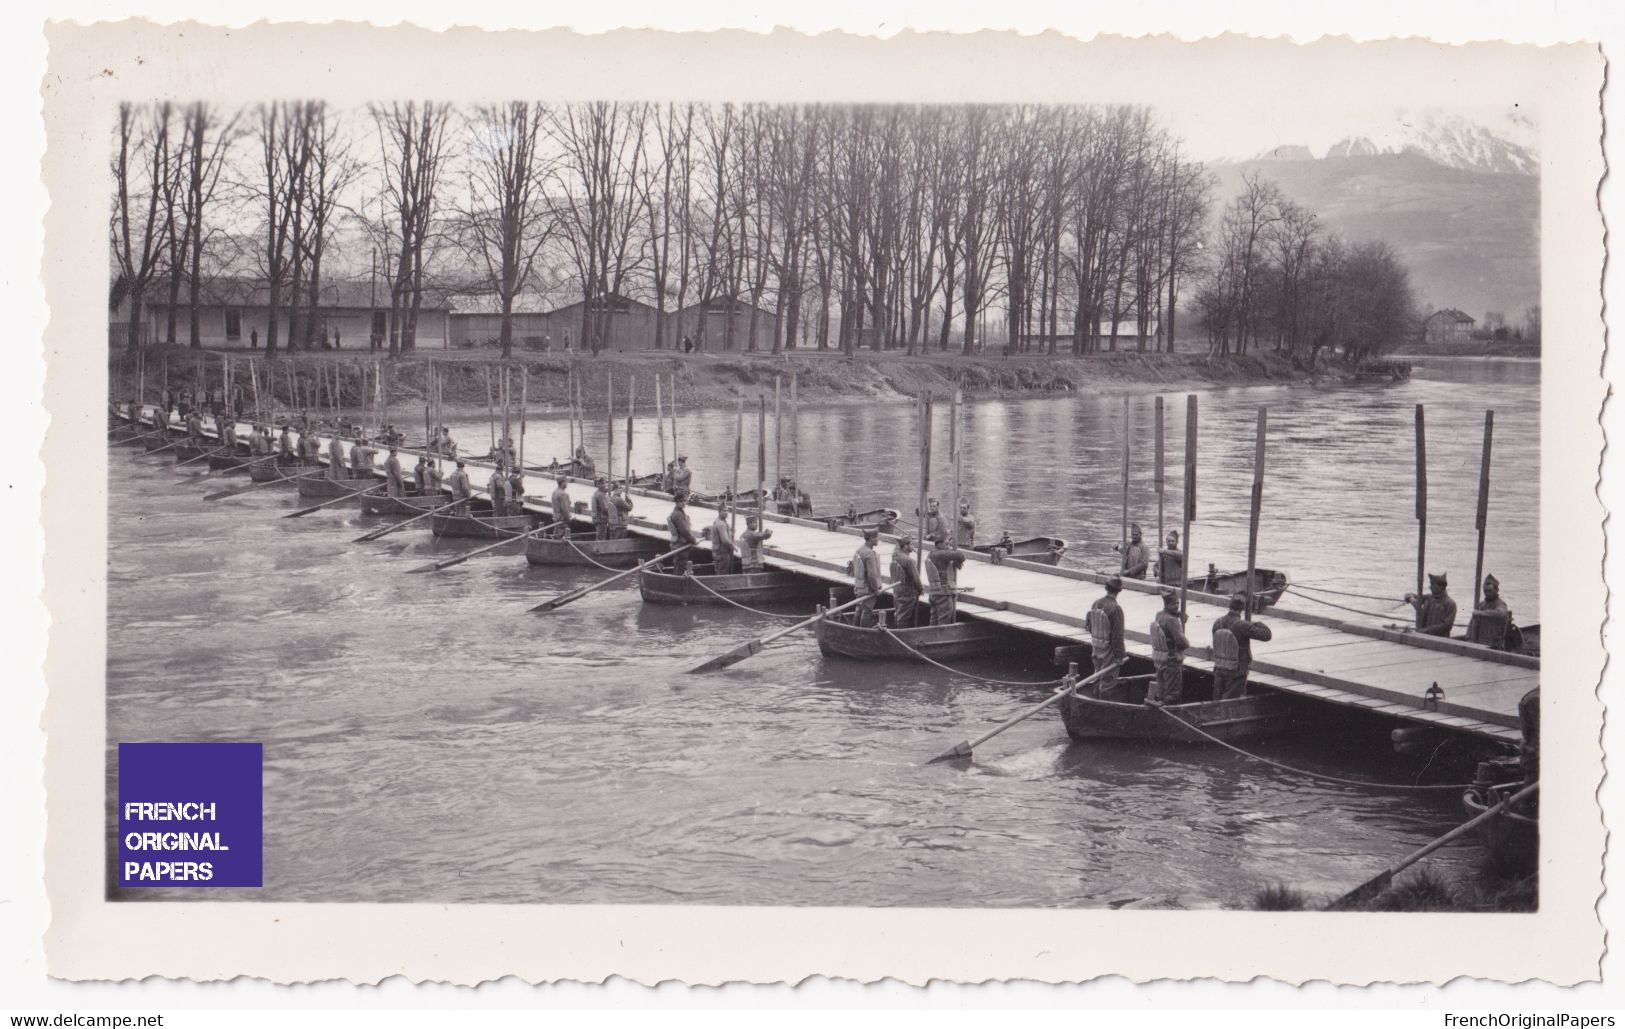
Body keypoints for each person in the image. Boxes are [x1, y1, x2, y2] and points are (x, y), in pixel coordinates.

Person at [1211, 594, 1274, 700]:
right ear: (1242, 609)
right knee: (1231, 703)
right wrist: (1255, 623)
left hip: (1219, 668)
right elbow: (1267, 635)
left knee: (1217, 701)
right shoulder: (1242, 625)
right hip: (1236, 671)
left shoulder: (1218, 622)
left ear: (1230, 606)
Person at [1147, 588, 1190, 705]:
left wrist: (1179, 617)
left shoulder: (1159, 615)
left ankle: (1160, 706)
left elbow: (1167, 620)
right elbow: (1183, 643)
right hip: (1172, 660)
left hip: (1160, 659)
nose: (1177, 606)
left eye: (1178, 603)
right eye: (1174, 604)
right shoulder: (1172, 621)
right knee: (1172, 693)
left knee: (1161, 689)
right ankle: (1170, 712)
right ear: (1167, 604)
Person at [1087, 576, 1128, 698]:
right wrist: (1120, 655)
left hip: (1097, 648)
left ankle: (1095, 700)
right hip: (1109, 652)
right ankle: (1103, 707)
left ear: (1106, 588)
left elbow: (1089, 625)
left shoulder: (1096, 603)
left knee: (1098, 677)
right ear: (1119, 591)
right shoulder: (1115, 609)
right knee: (1108, 681)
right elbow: (1117, 636)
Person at [926, 537, 967, 625]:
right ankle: (941, 637)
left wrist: (956, 562)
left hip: (934, 592)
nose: (948, 547)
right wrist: (955, 555)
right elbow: (961, 555)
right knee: (944, 619)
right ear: (939, 544)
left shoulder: (931, 554)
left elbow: (955, 563)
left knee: (934, 618)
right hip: (943, 593)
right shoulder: (940, 554)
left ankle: (932, 636)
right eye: (946, 544)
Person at [1466, 573, 1513, 650]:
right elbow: (1472, 623)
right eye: (1485, 591)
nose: (1487, 593)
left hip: (1494, 645)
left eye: (1490, 591)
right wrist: (1468, 638)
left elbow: (1500, 613)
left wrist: (1481, 613)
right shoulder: (1481, 605)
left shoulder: (1501, 604)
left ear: (1496, 590)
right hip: (1479, 642)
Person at [1404, 573, 1458, 637]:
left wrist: (1427, 630)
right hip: (1423, 635)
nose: (1430, 587)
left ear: (1441, 587)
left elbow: (1446, 626)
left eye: (1432, 585)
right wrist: (1410, 598)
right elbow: (1409, 595)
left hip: (1440, 638)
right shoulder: (1429, 597)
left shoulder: (1450, 604)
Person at [889, 535, 925, 629]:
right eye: (911, 544)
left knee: (899, 613)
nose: (913, 547)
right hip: (907, 593)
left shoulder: (896, 557)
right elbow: (916, 578)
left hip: (897, 591)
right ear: (905, 546)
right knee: (904, 616)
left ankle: (896, 629)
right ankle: (901, 634)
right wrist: (921, 590)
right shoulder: (909, 561)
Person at [851, 528, 884, 627]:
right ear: (871, 539)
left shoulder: (859, 550)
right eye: (876, 537)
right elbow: (872, 575)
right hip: (868, 588)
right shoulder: (869, 554)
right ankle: (863, 632)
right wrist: (876, 590)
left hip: (859, 587)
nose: (878, 539)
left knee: (859, 609)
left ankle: (854, 628)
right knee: (867, 611)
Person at [666, 492, 699, 573]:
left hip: (678, 544)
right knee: (681, 563)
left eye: (684, 501)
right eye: (681, 502)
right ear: (676, 503)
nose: (684, 503)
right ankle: (678, 581)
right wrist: (693, 540)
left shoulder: (679, 512)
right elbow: (684, 531)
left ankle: (677, 579)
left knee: (679, 563)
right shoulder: (678, 515)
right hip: (680, 544)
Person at [709, 503, 737, 575]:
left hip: (717, 551)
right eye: (724, 511)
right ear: (719, 511)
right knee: (723, 572)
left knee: (719, 570)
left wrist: (730, 532)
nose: (726, 513)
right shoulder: (721, 523)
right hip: (722, 552)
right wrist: (733, 547)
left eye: (727, 511)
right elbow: (725, 540)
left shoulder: (717, 521)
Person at [590, 476, 614, 541]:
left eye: (605, 483)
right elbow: (604, 509)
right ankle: (598, 550)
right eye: (603, 483)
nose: (604, 485)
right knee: (601, 537)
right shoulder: (600, 495)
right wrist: (612, 514)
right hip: (601, 519)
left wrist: (613, 488)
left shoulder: (597, 492)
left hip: (597, 518)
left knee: (599, 535)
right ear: (599, 485)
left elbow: (606, 490)